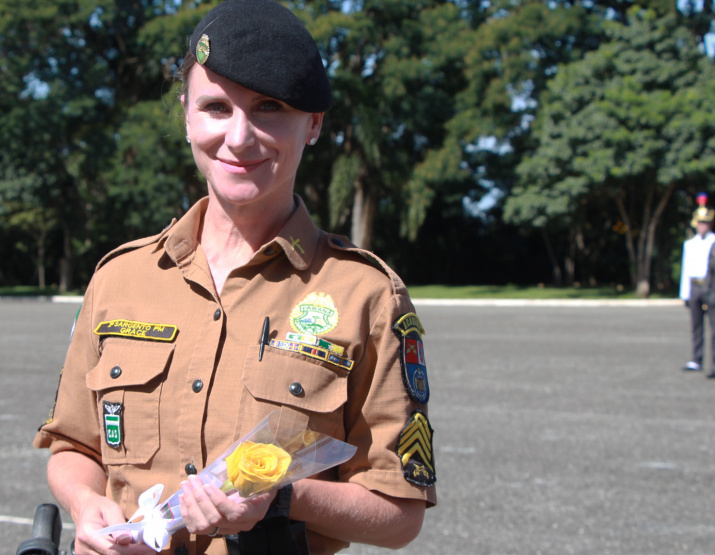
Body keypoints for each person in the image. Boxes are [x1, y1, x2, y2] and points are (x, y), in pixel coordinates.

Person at [33, 1, 436, 554]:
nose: (239, 137)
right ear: (186, 116)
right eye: (217, 107)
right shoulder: (120, 277)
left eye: (269, 108)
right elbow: (74, 447)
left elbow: (398, 515)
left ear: (313, 124)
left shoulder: (365, 295)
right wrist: (85, 503)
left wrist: (280, 495)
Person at [679, 192, 715, 374]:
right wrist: (684, 293)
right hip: (694, 287)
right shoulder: (689, 244)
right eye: (700, 222)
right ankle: (696, 360)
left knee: (714, 327)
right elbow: (686, 270)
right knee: (696, 326)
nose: (702, 226)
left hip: (711, 287)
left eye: (705, 222)